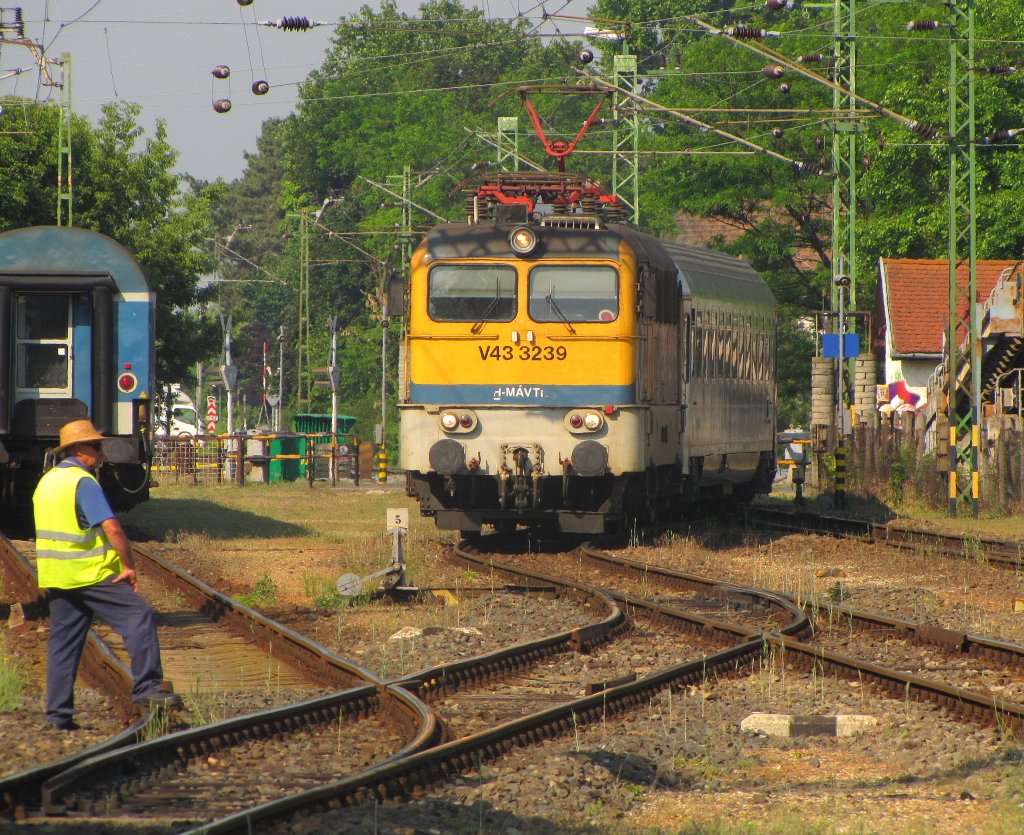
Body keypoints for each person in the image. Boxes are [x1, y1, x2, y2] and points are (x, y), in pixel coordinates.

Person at [34, 419, 181, 730]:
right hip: (90, 573)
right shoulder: (82, 482)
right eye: (96, 447)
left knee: (64, 642)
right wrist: (128, 566)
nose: (101, 453)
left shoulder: (46, 482)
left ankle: (57, 716)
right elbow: (111, 527)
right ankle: (148, 688)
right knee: (138, 614)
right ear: (77, 449)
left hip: (57, 576)